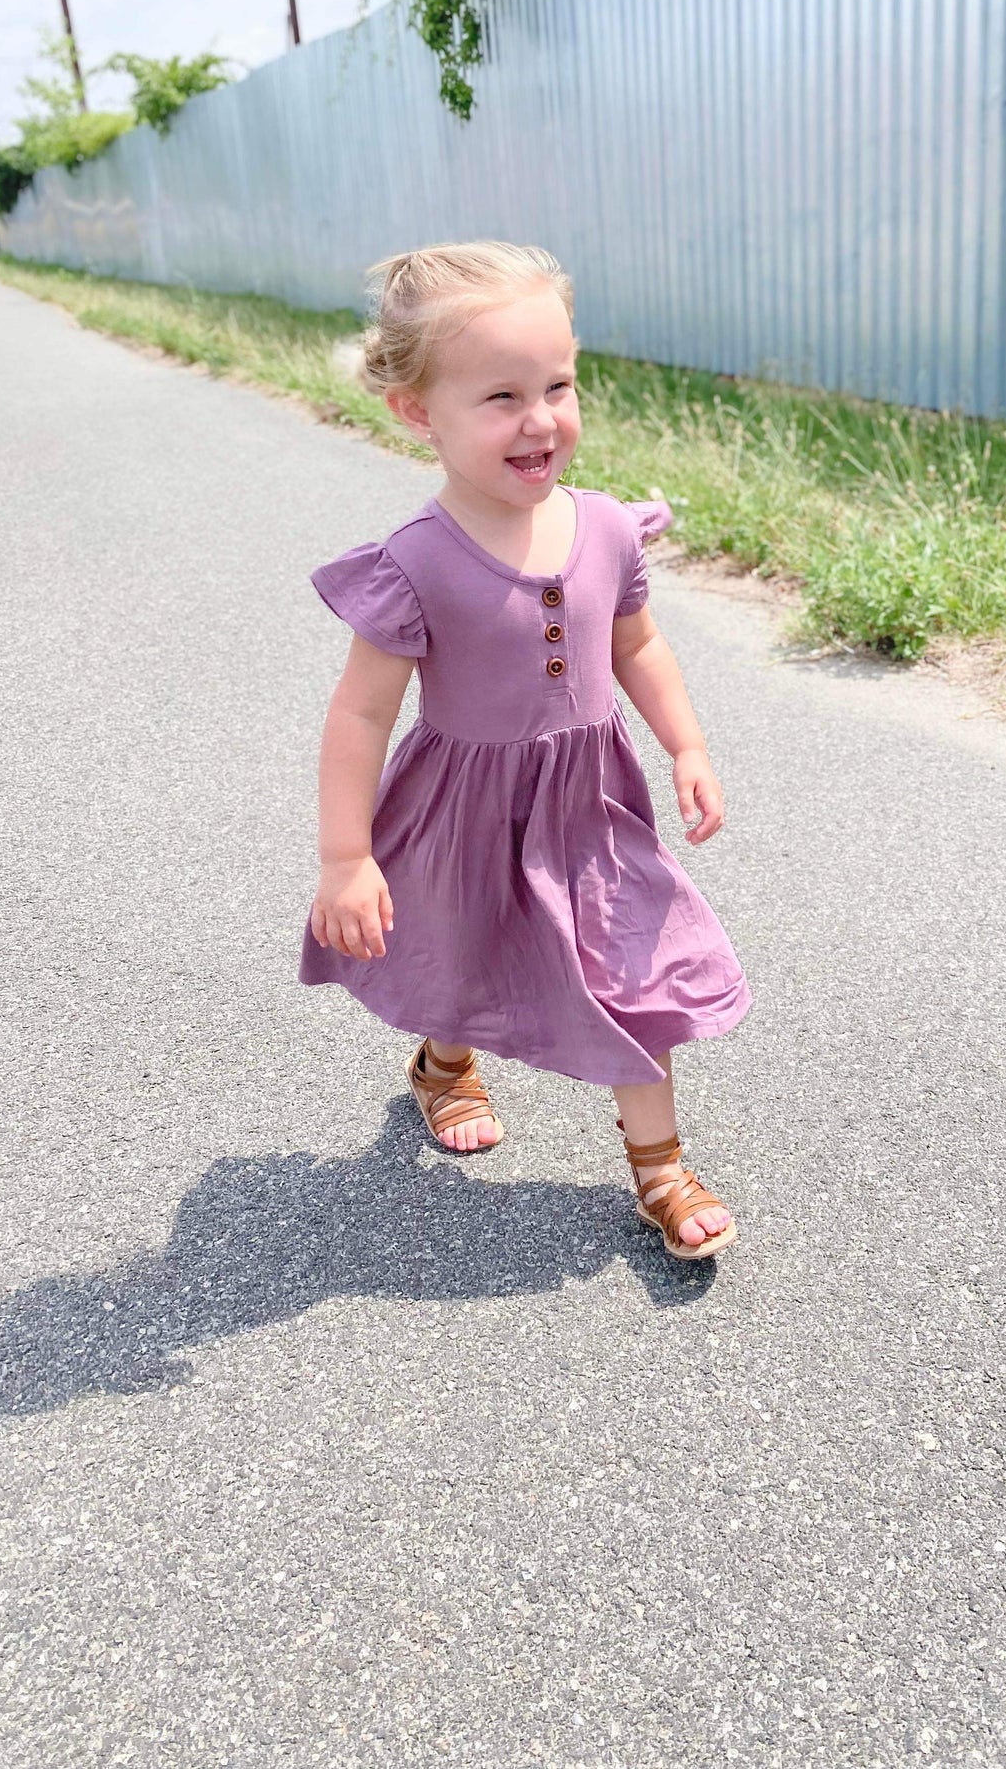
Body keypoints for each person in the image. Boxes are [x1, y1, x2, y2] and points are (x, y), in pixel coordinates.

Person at [298, 241, 751, 1261]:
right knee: (466, 953)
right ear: (418, 412)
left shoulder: (605, 530)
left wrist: (685, 743)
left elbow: (635, 643)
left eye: (557, 384)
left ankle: (659, 1169)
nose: (539, 418)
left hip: (591, 804)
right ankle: (446, 1067)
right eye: (501, 395)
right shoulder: (413, 564)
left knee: (638, 973)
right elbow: (359, 717)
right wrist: (344, 856)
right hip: (463, 807)